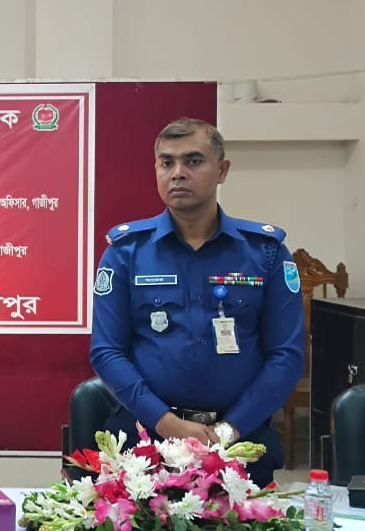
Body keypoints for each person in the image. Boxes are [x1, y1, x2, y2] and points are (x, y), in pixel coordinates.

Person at [90, 117, 304, 486]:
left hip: (240, 440)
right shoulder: (126, 252)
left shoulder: (265, 253)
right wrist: (166, 423)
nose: (177, 173)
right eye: (166, 162)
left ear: (222, 171)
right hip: (146, 439)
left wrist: (229, 429)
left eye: (193, 161)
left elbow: (287, 354)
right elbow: (107, 351)